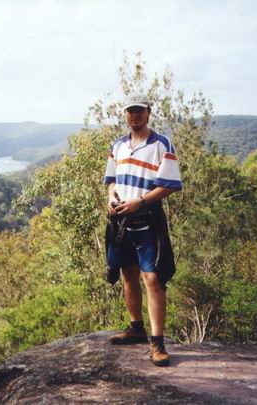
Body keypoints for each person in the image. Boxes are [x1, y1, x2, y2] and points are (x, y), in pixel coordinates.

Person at [103, 94, 182, 367]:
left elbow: (171, 184)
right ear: (125, 114)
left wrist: (141, 201)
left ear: (148, 113)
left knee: (153, 278)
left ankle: (157, 343)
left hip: (148, 219)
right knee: (128, 273)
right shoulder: (119, 146)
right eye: (130, 111)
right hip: (121, 221)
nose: (134, 115)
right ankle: (136, 328)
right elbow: (111, 181)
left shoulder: (161, 144)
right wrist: (111, 198)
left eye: (139, 111)